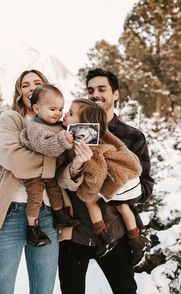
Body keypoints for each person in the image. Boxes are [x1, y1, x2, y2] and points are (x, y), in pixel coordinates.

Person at [0, 69, 92, 294]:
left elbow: (64, 180)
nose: (31, 87)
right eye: (25, 84)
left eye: (37, 82)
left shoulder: (59, 127)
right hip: (10, 214)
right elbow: (14, 159)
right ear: (19, 92)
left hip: (48, 214)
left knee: (43, 290)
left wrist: (76, 165)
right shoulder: (11, 119)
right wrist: (54, 155)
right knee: (0, 290)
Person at [58, 68, 154, 294]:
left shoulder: (131, 136)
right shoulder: (67, 134)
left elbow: (146, 186)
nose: (95, 94)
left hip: (115, 232)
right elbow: (53, 175)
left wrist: (118, 189)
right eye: (90, 90)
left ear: (116, 94)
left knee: (125, 290)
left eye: (102, 89)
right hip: (75, 234)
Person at [62, 98, 149, 262]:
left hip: (116, 179)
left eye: (71, 113)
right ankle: (137, 239)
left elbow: (97, 171)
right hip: (125, 177)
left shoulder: (86, 143)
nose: (65, 114)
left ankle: (103, 236)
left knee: (89, 200)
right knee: (123, 206)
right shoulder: (102, 133)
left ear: (84, 124)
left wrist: (88, 190)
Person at [19, 83, 79, 247]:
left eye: (60, 109)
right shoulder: (35, 127)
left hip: (49, 171)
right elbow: (45, 147)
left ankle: (60, 216)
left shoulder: (57, 125)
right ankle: (32, 228)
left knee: (55, 190)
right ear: (37, 109)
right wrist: (63, 139)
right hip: (34, 173)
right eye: (53, 109)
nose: (58, 113)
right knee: (36, 196)